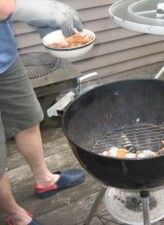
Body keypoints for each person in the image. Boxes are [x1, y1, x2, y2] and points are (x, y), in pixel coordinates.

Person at [0, 0, 86, 224]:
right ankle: (16, 216)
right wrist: (37, 8)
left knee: (28, 120)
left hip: (5, 61)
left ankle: (45, 180)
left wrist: (36, 16)